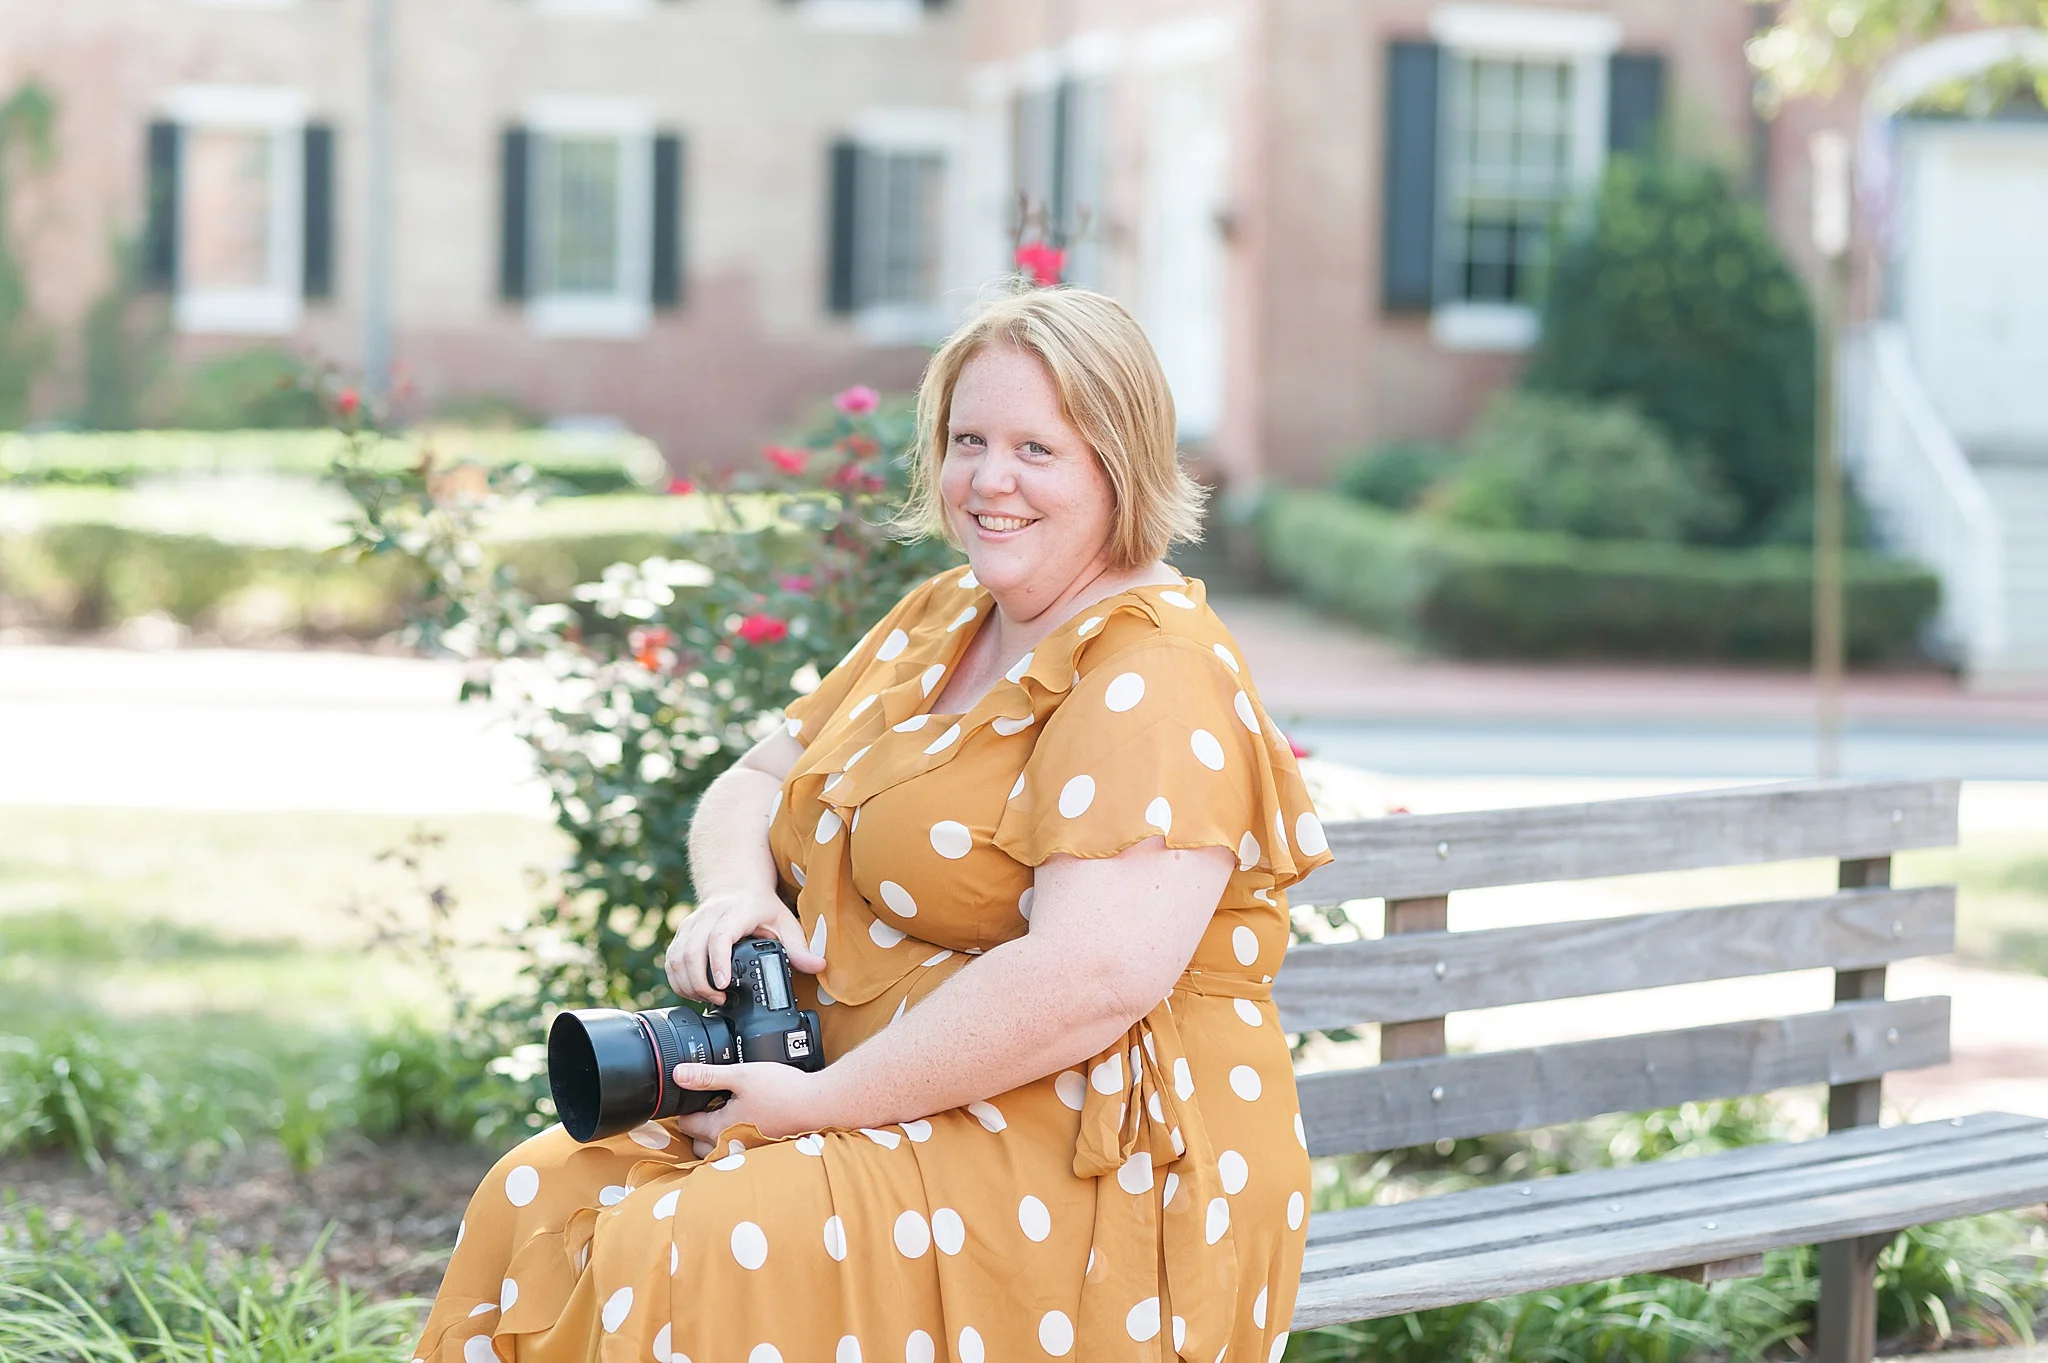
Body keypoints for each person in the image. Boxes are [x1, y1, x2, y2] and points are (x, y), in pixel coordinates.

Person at [414, 284, 1334, 1363]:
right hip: (883, 1099)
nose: (990, 480)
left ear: (1116, 463)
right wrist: (737, 892)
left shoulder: (1150, 669)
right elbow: (752, 781)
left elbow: (1089, 982)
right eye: (967, 440)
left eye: (1037, 448)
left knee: (703, 1235)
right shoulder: (943, 619)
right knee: (537, 1189)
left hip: (1095, 1154)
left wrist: (816, 1106)